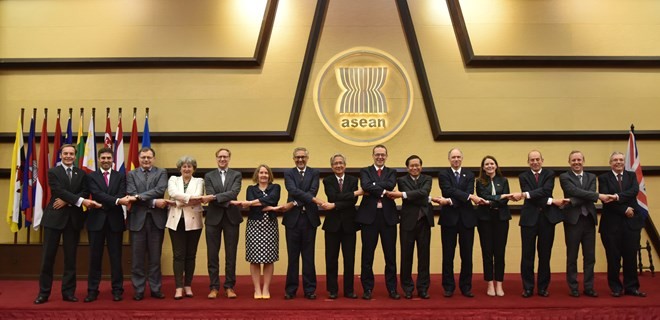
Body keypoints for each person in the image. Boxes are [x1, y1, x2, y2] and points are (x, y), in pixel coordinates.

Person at [34, 144, 101, 305]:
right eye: (66, 153)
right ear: (60, 155)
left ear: (75, 156)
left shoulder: (81, 173)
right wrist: (75, 200)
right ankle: (43, 293)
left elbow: (85, 192)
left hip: (73, 220)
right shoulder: (53, 172)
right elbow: (57, 191)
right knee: (48, 258)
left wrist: (67, 200)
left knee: (70, 259)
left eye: (71, 154)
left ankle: (68, 292)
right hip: (54, 219)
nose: (69, 156)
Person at [511, 150, 566, 298]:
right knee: (527, 255)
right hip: (529, 220)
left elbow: (546, 190)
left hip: (547, 220)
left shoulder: (549, 174)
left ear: (542, 160)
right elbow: (535, 195)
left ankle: (542, 287)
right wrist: (550, 201)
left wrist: (527, 195)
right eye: (532, 160)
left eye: (537, 159)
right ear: (528, 162)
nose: (535, 162)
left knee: (545, 255)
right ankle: (528, 287)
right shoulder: (523, 176)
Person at [559, 151, 607, 298]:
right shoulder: (564, 177)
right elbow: (572, 191)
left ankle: (589, 287)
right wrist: (596, 196)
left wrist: (573, 200)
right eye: (573, 160)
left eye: (579, 160)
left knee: (590, 256)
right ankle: (573, 287)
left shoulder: (592, 177)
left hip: (589, 221)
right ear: (569, 162)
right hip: (573, 221)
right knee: (572, 256)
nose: (576, 162)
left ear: (583, 161)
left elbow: (588, 195)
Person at [85, 147, 130, 302]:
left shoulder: (120, 176)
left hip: (115, 222)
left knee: (116, 258)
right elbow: (96, 193)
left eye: (108, 158)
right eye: (103, 158)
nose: (105, 161)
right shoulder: (91, 176)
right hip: (95, 222)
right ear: (98, 159)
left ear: (113, 160)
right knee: (94, 258)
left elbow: (121, 193)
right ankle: (92, 290)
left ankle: (117, 290)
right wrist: (116, 201)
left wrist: (109, 201)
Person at [598, 152, 646, 297]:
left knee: (631, 257)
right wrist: (624, 209)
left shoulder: (632, 176)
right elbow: (605, 199)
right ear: (610, 162)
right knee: (613, 258)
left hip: (631, 224)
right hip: (611, 226)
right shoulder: (603, 178)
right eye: (615, 160)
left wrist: (617, 197)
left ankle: (631, 287)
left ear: (624, 162)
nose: (618, 162)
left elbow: (633, 192)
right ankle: (616, 288)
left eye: (620, 160)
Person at [436, 148, 483, 298]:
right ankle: (448, 287)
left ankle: (466, 287)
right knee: (448, 255)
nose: (456, 159)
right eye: (453, 157)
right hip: (449, 220)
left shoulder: (469, 174)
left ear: (462, 158)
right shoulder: (443, 174)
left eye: (458, 157)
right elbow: (446, 190)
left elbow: (459, 192)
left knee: (467, 255)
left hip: (467, 220)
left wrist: (450, 200)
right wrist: (468, 196)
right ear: (449, 159)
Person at [355, 144, 400, 300]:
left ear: (386, 156)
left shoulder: (392, 172)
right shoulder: (365, 171)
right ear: (373, 155)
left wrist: (374, 186)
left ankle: (392, 289)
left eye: (383, 154)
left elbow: (391, 184)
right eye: (377, 154)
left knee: (390, 256)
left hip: (388, 218)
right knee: (367, 256)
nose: (380, 157)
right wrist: (383, 191)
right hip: (369, 218)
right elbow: (365, 185)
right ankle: (367, 289)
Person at [387, 155, 433, 299]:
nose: (414, 168)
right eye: (411, 166)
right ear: (407, 168)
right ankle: (407, 288)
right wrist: (412, 195)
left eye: (417, 165)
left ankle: (423, 288)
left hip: (424, 221)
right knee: (406, 256)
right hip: (408, 222)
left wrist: (403, 195)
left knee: (424, 257)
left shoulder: (427, 179)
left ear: (421, 166)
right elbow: (420, 196)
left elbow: (424, 192)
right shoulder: (401, 180)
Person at [280, 147, 323, 300]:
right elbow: (292, 189)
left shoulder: (314, 173)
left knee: (308, 256)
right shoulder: (289, 173)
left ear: (307, 157)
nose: (300, 160)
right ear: (293, 158)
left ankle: (310, 289)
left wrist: (294, 202)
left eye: (303, 157)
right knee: (292, 257)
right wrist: (302, 201)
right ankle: (290, 290)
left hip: (309, 220)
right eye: (297, 157)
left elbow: (313, 191)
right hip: (293, 221)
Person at [126, 147, 169, 301]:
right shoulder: (131, 174)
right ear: (139, 159)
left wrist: (138, 197)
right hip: (137, 220)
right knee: (137, 259)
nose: (146, 160)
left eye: (149, 157)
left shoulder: (161, 172)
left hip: (156, 220)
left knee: (155, 257)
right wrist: (149, 201)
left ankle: (156, 288)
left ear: (154, 159)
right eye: (143, 157)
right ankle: (138, 289)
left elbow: (160, 190)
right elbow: (130, 192)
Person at [232, 164, 281, 300]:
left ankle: (266, 288)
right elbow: (262, 203)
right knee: (254, 259)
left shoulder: (275, 187)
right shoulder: (251, 189)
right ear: (257, 175)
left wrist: (252, 202)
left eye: (266, 173)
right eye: (261, 173)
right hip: (254, 226)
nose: (263, 175)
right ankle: (257, 289)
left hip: (270, 226)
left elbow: (273, 199)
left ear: (269, 175)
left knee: (269, 259)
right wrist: (262, 204)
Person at [321, 153, 362, 299]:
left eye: (341, 163)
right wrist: (353, 193)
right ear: (332, 166)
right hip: (332, 226)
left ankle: (349, 290)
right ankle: (332, 290)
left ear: (345, 165)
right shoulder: (327, 180)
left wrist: (335, 205)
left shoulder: (353, 180)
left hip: (349, 225)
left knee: (349, 259)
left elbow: (352, 202)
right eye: (335, 163)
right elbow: (333, 197)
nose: (338, 165)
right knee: (331, 259)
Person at [204, 148, 242, 299]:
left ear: (229, 158)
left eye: (225, 157)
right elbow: (210, 193)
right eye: (220, 157)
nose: (222, 159)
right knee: (212, 254)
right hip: (213, 219)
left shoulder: (236, 174)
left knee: (231, 254)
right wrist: (226, 201)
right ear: (216, 158)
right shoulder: (209, 176)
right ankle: (214, 287)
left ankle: (229, 286)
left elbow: (234, 192)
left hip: (232, 218)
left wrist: (215, 198)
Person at [166, 156, 206, 300]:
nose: (187, 169)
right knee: (178, 255)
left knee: (191, 255)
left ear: (194, 169)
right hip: (175, 222)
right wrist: (188, 200)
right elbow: (173, 193)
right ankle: (178, 287)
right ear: (180, 168)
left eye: (189, 166)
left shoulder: (199, 181)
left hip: (194, 222)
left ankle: (188, 285)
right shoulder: (172, 179)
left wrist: (177, 202)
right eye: (184, 166)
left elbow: (198, 197)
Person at [474, 155, 511, 297]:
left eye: (492, 163)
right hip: (485, 220)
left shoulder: (504, 180)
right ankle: (490, 283)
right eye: (487, 164)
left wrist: (492, 201)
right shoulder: (479, 182)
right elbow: (482, 196)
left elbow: (505, 200)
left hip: (501, 219)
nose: (489, 166)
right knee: (487, 252)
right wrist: (499, 197)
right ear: (483, 167)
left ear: (496, 165)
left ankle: (499, 284)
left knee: (500, 252)